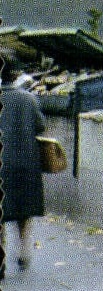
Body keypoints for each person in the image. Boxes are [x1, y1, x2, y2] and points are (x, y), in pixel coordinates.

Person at [0, 57, 49, 274]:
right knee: (23, 210)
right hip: (26, 163)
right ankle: (22, 252)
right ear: (13, 75)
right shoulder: (28, 99)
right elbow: (40, 125)